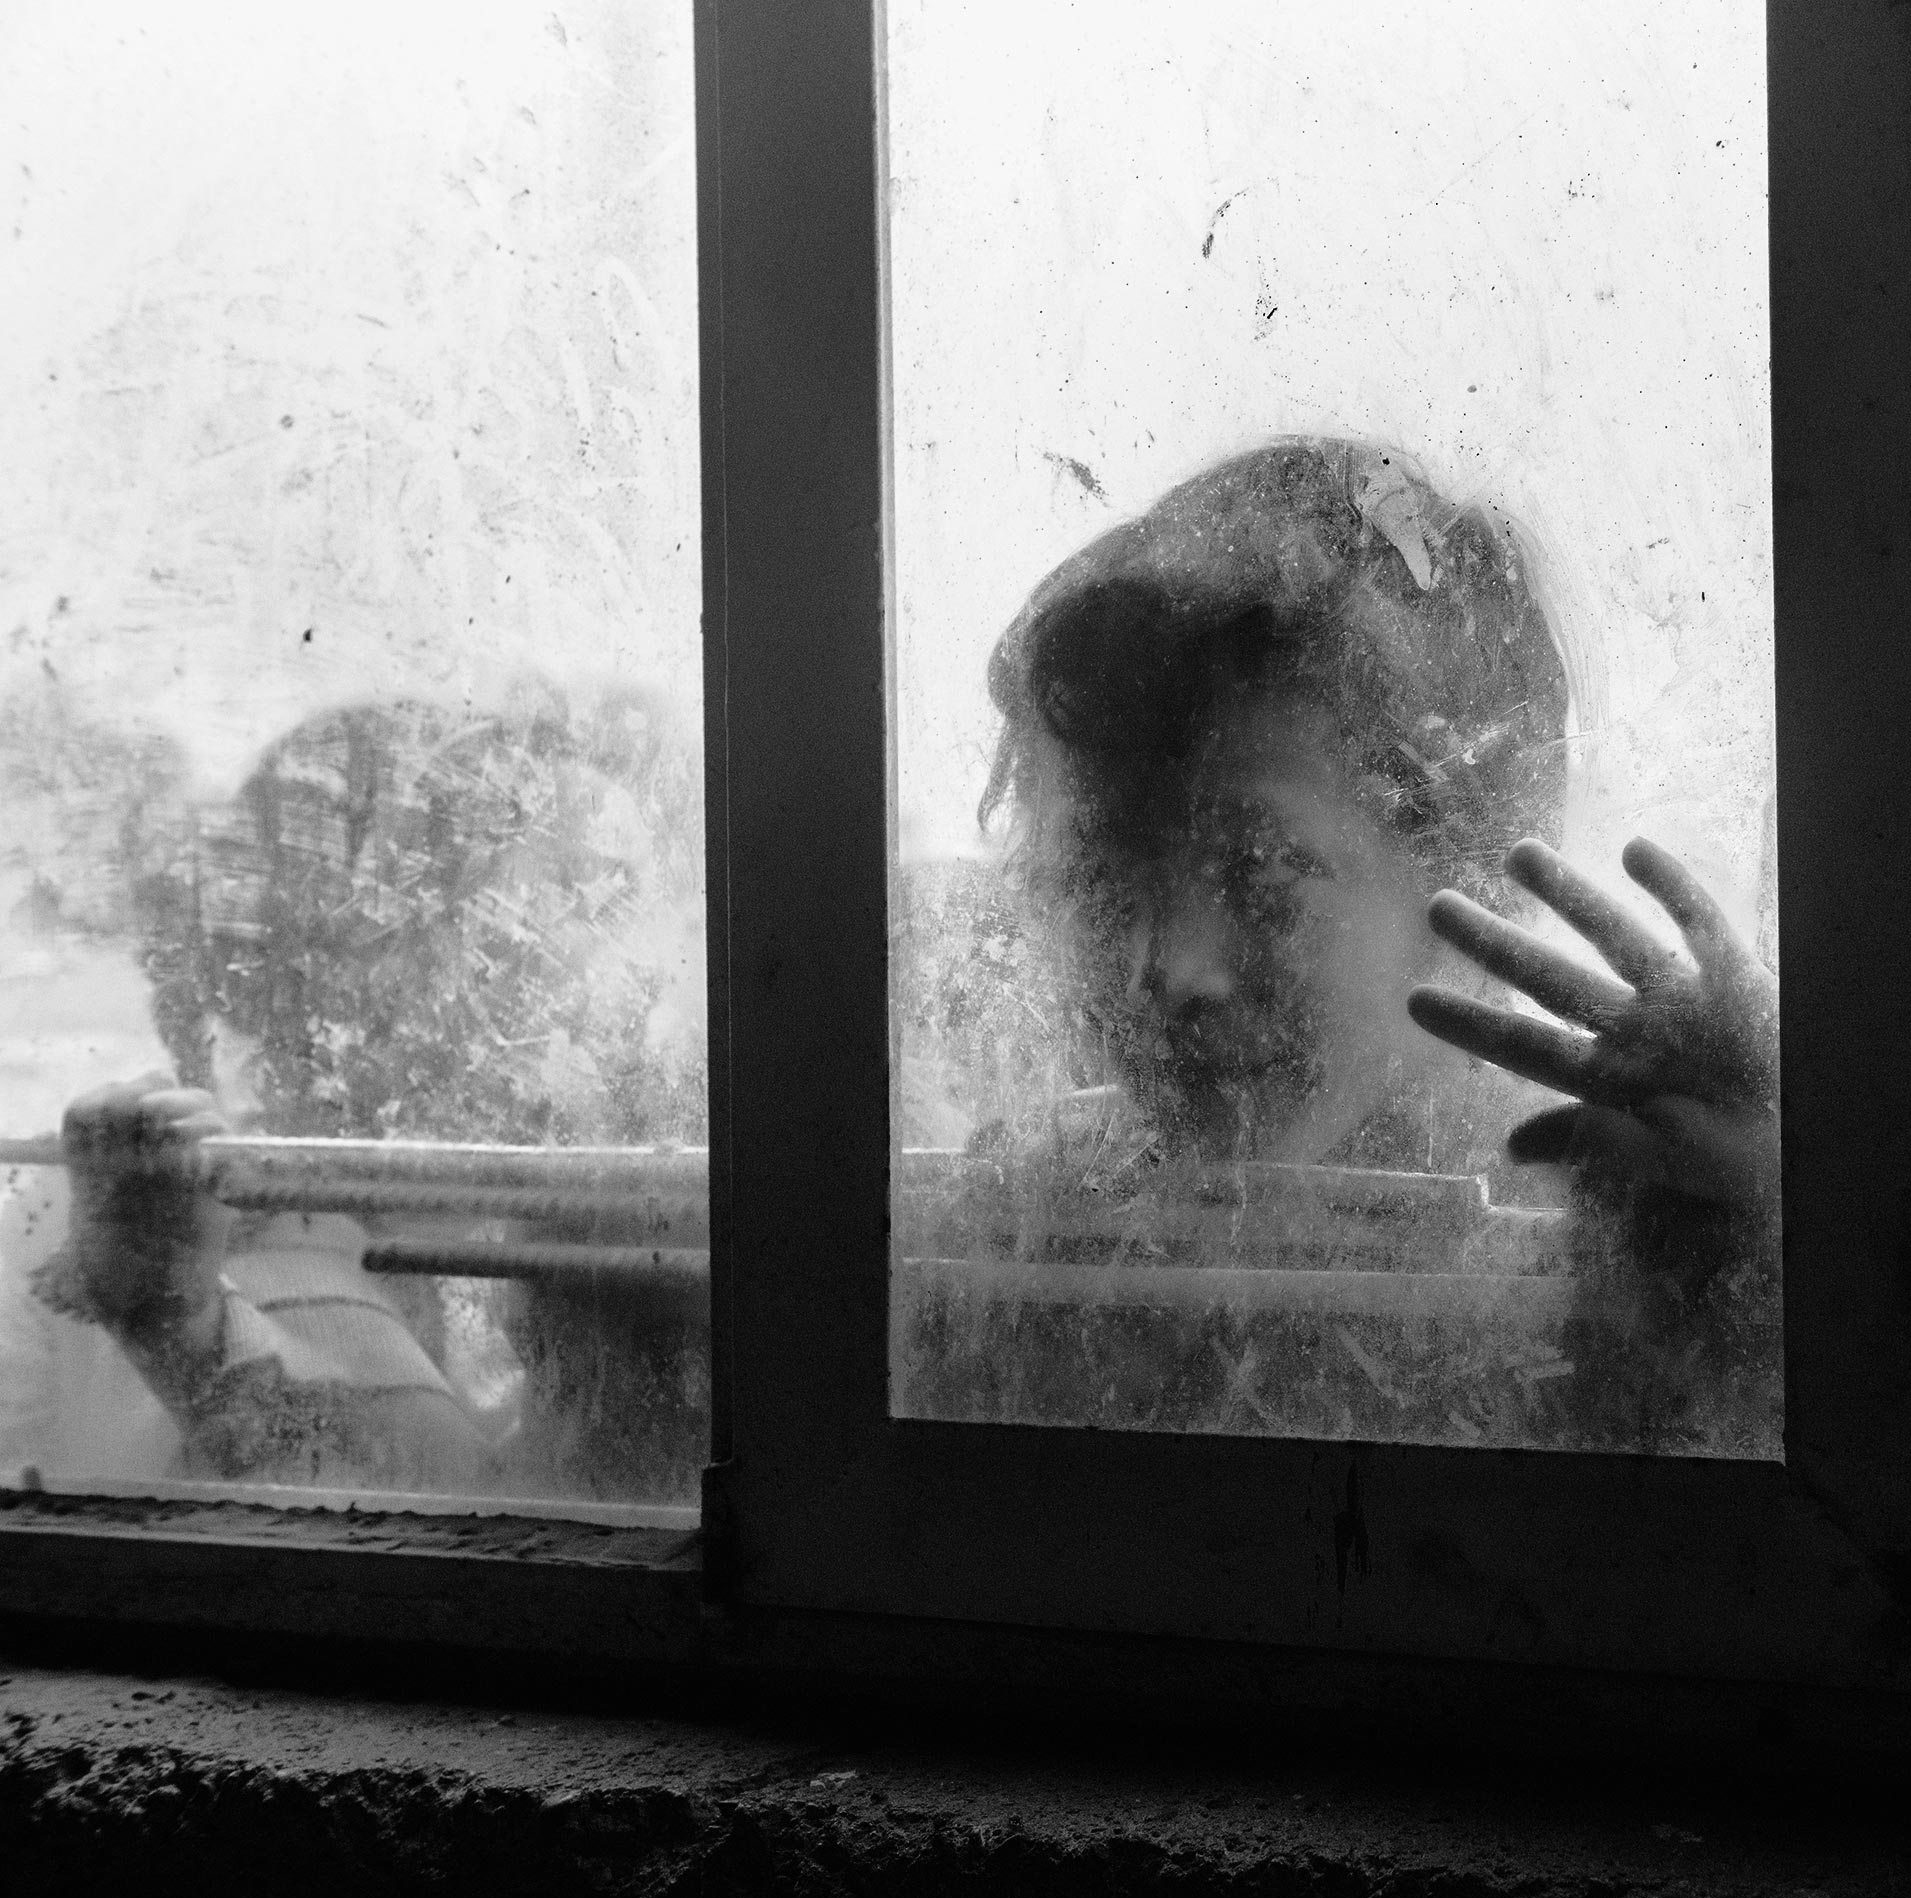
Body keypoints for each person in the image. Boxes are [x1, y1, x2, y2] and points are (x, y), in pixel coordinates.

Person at [914, 438, 1779, 1451]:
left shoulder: (1618, 1227)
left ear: (1471, 873)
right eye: (1101, 877)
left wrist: (1769, 1258)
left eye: (1262, 870)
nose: (1174, 969)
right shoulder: (1020, 1243)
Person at [8, 694, 706, 1498]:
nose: (632, 966)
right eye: (575, 898)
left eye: (617, 899)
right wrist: (175, 1327)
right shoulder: (135, 1201)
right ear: (377, 958)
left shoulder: (586, 1219)